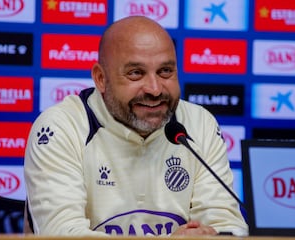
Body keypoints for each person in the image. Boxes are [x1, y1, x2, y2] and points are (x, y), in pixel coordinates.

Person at [24, 16, 248, 237]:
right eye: (136, 73)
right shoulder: (62, 127)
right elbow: (62, 233)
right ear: (101, 78)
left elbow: (227, 224)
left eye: (165, 71)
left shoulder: (199, 124)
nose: (154, 89)